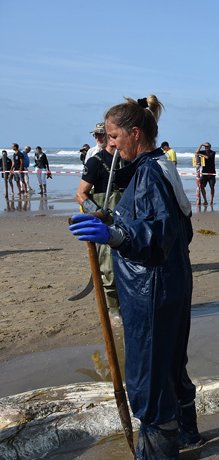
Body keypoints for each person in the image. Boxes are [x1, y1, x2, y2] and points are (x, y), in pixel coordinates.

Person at [68, 95, 202, 460]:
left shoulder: (150, 173)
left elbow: (158, 235)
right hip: (171, 283)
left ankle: (158, 458)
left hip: (152, 289)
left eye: (113, 136)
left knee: (149, 371)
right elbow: (174, 228)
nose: (109, 143)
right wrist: (111, 218)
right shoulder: (159, 165)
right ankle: (188, 434)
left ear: (134, 133)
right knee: (172, 365)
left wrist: (115, 236)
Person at [76, 134, 125, 325]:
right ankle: (114, 311)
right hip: (107, 223)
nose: (114, 140)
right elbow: (81, 194)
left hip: (128, 221)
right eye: (111, 135)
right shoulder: (96, 162)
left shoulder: (129, 161)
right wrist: (96, 212)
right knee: (109, 269)